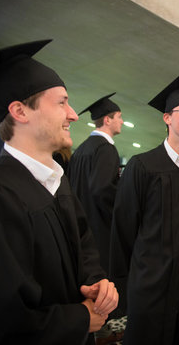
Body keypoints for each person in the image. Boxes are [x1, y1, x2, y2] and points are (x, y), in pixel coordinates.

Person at [0, 40, 118, 344]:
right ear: (20, 111)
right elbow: (4, 319)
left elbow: (84, 244)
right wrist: (82, 317)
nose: (73, 115)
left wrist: (95, 282)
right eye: (61, 102)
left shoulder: (56, 180)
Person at [109, 75, 179, 345]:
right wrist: (126, 283)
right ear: (167, 118)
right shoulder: (142, 166)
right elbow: (124, 230)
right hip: (151, 282)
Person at [68, 93, 123, 273]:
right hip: (100, 231)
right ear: (108, 119)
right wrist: (119, 217)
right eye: (119, 117)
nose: (122, 121)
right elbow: (102, 188)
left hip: (79, 229)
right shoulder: (106, 149)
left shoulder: (80, 150)